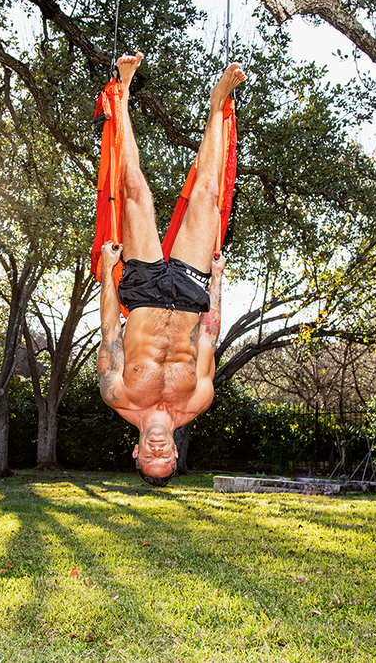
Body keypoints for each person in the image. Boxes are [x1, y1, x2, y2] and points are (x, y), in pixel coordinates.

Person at [97, 52, 246, 487]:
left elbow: (110, 331)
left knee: (133, 193)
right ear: (177, 451)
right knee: (208, 198)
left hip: (141, 292)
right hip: (188, 293)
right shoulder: (198, 398)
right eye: (166, 459)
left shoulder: (116, 394)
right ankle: (219, 104)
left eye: (150, 458)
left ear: (136, 451)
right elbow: (208, 335)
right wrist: (216, 280)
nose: (158, 452)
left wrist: (109, 272)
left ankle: (122, 95)